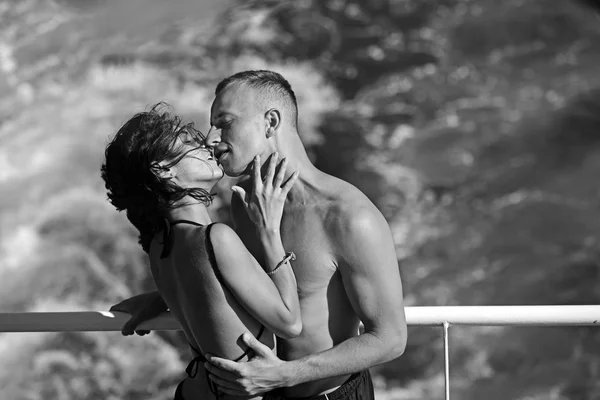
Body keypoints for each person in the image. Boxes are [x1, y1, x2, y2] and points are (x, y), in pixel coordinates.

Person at [113, 70, 408, 399]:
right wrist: (168, 297)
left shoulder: (348, 217)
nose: (211, 138)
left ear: (270, 122)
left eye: (224, 122)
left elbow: (390, 338)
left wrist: (285, 375)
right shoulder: (246, 203)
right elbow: (244, 282)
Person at [101, 103, 302, 400]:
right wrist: (269, 229)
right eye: (190, 143)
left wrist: (159, 300)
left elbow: (207, 291)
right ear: (164, 171)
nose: (208, 144)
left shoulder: (161, 244)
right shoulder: (215, 238)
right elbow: (289, 323)